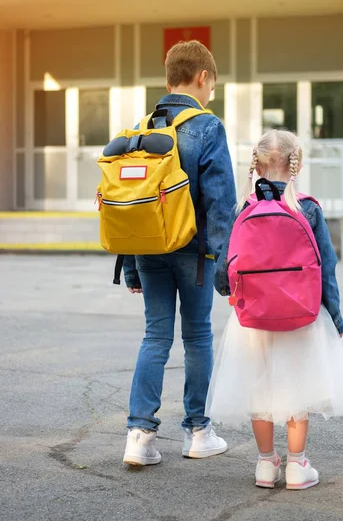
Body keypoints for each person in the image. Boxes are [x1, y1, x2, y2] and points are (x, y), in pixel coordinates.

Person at [208, 129, 343, 489]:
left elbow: (223, 271)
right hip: (301, 317)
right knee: (297, 388)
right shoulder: (307, 208)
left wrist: (227, 290)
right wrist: (337, 319)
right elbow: (326, 269)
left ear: (257, 164)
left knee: (258, 389)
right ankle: (297, 465)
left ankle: (266, 463)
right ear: (297, 164)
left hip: (253, 319)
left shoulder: (243, 209)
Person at [122, 40, 236, 466]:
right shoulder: (207, 126)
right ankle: (198, 432)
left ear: (169, 75)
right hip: (194, 251)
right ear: (202, 77)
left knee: (155, 336)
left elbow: (132, 204)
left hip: (149, 249)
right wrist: (228, 269)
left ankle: (139, 434)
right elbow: (221, 205)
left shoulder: (141, 127)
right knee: (197, 337)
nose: (210, 95)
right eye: (212, 86)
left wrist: (132, 268)